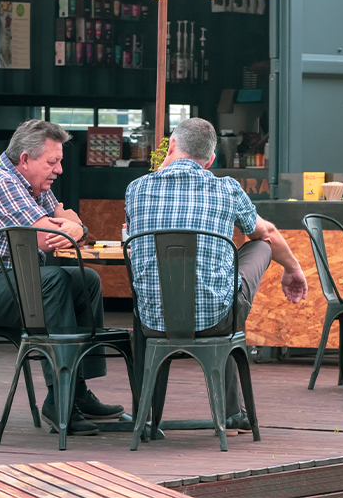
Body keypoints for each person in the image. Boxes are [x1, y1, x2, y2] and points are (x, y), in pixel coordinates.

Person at [0, 119, 124, 436]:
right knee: (52, 282)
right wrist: (74, 226)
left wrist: (75, 228)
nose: (58, 170)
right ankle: (59, 399)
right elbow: (50, 237)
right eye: (52, 162)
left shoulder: (30, 186)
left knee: (84, 280)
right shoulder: (0, 183)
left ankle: (77, 391)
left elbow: (67, 235)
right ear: (25, 160)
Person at [124, 117, 307, 431]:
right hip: (215, 319)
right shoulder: (226, 188)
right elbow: (269, 233)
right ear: (209, 160)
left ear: (171, 145)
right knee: (259, 245)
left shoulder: (136, 188)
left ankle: (147, 414)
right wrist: (293, 269)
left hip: (152, 319)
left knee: (180, 282)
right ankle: (232, 411)